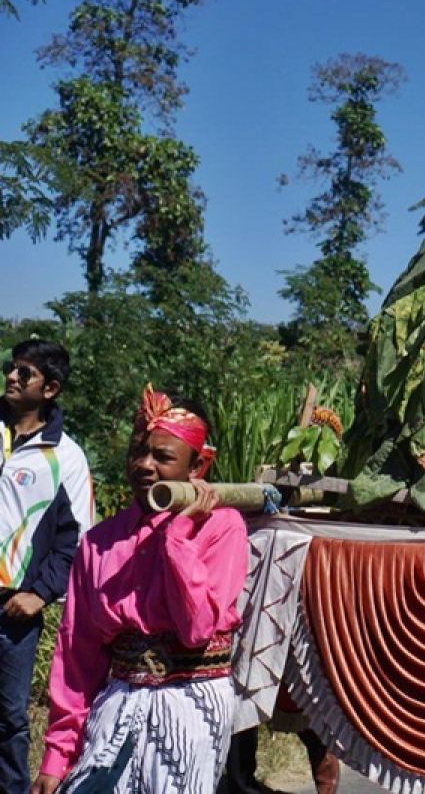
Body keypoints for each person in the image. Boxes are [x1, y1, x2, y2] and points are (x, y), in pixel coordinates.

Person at [33, 386, 248, 794]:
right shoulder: (100, 541)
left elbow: (197, 628)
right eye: (138, 451)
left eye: (163, 457)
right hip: (118, 701)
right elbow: (78, 654)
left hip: (190, 705)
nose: (144, 465)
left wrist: (177, 538)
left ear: (198, 466)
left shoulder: (223, 528)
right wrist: (57, 755)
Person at [0, 340, 93, 794]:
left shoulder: (67, 457)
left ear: (51, 388)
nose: (12, 377)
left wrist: (39, 594)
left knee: (8, 718)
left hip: (11, 609)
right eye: (10, 368)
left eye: (25, 372)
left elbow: (75, 540)